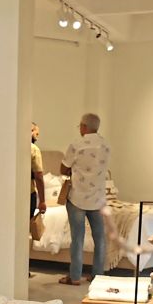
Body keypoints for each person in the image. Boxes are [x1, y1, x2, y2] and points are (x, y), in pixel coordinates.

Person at [59, 112, 111, 286]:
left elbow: (63, 168)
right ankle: (98, 275)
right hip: (98, 199)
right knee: (100, 239)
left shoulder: (76, 144)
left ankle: (74, 277)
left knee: (78, 238)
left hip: (77, 198)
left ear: (83, 127)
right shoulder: (105, 145)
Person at [30, 122, 46, 215]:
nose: (37, 137)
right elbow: (39, 177)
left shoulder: (10, 147)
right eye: (37, 134)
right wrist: (42, 201)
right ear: (31, 131)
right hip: (28, 193)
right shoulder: (34, 149)